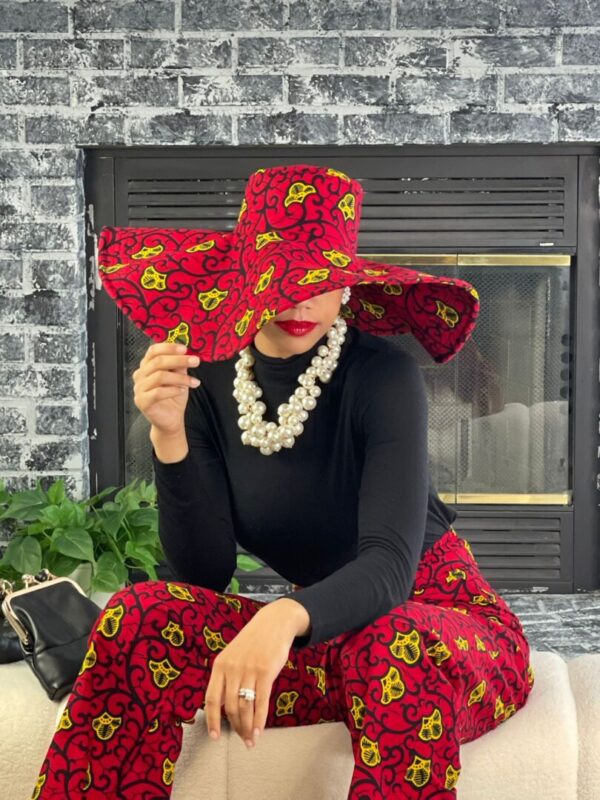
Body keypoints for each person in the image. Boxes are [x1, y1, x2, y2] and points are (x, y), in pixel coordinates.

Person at [31, 164, 534, 799]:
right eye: (281, 279)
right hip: (328, 643)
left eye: (321, 280)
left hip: (437, 632)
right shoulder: (207, 376)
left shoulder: (384, 377)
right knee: (140, 615)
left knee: (390, 646)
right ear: (246, 280)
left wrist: (276, 621)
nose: (299, 301)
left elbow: (388, 567)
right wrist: (169, 436)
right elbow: (203, 577)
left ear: (347, 286)